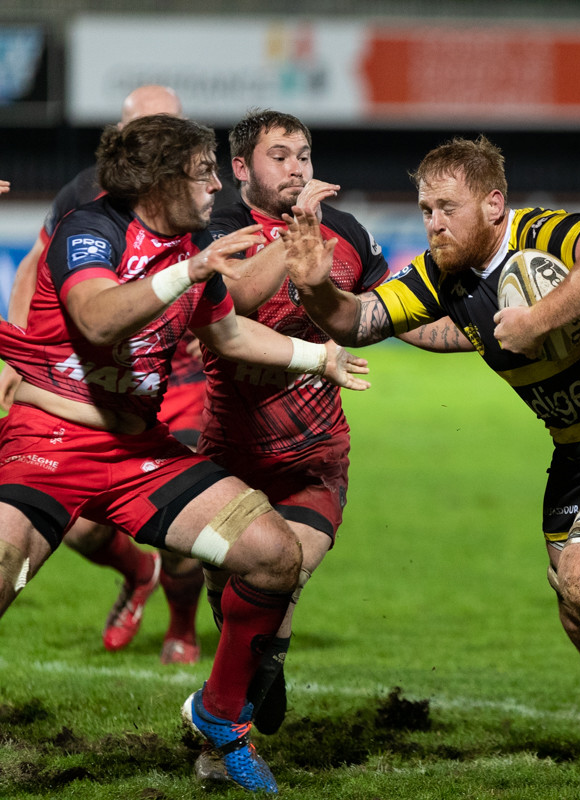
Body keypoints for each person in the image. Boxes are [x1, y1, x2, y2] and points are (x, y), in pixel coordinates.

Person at [282, 134, 580, 800]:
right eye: (425, 208)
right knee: (577, 608)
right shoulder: (438, 275)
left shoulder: (545, 232)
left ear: (493, 203)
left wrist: (541, 318)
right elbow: (358, 320)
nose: (433, 222)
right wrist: (315, 284)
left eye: (447, 207)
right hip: (577, 451)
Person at [0, 113, 370, 794]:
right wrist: (192, 270)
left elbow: (227, 333)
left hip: (139, 452)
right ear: (165, 179)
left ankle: (221, 718)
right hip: (49, 442)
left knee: (274, 557)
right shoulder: (92, 228)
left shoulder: (195, 242)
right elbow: (96, 317)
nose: (213, 187)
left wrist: (319, 356)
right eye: (203, 172)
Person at [198, 109, 468, 755]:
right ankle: (259, 660)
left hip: (315, 459)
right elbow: (229, 306)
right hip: (229, 455)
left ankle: (255, 677)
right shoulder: (215, 230)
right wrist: (294, 235)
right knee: (232, 584)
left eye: (304, 155)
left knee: (287, 569)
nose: (297, 167)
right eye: (280, 156)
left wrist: (482, 335)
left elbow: (392, 315)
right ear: (241, 168)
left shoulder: (344, 232)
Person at [1, 84, 207, 665]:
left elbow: (232, 294)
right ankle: (138, 570)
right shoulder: (82, 195)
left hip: (180, 388)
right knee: (81, 530)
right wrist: (23, 356)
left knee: (185, 529)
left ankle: (183, 630)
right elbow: (33, 270)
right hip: (90, 388)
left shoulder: (204, 193)